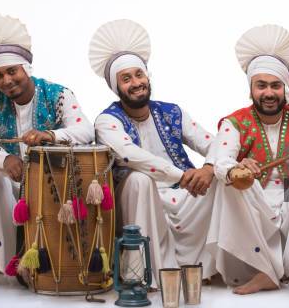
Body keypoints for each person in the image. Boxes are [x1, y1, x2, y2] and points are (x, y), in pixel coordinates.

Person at [0, 14, 94, 289]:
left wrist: (50, 135)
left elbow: (86, 131)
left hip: (53, 186)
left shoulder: (57, 94)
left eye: (12, 71)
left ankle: (41, 265)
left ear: (27, 69)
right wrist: (5, 159)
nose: (6, 80)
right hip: (11, 188)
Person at [207, 24, 289, 295]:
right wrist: (237, 170)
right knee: (230, 183)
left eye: (275, 85)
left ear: (285, 89)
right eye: (261, 85)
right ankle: (264, 269)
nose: (268, 93)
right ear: (251, 88)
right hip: (253, 203)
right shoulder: (235, 122)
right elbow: (222, 160)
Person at [89, 19, 217, 288]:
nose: (136, 83)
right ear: (116, 87)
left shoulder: (171, 112)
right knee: (139, 179)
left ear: (148, 77)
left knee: (221, 174)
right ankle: (144, 275)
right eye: (126, 79)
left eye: (139, 75)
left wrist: (207, 169)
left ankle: (212, 268)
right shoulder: (106, 121)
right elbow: (130, 154)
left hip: (183, 193)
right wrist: (182, 175)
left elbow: (212, 143)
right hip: (141, 199)